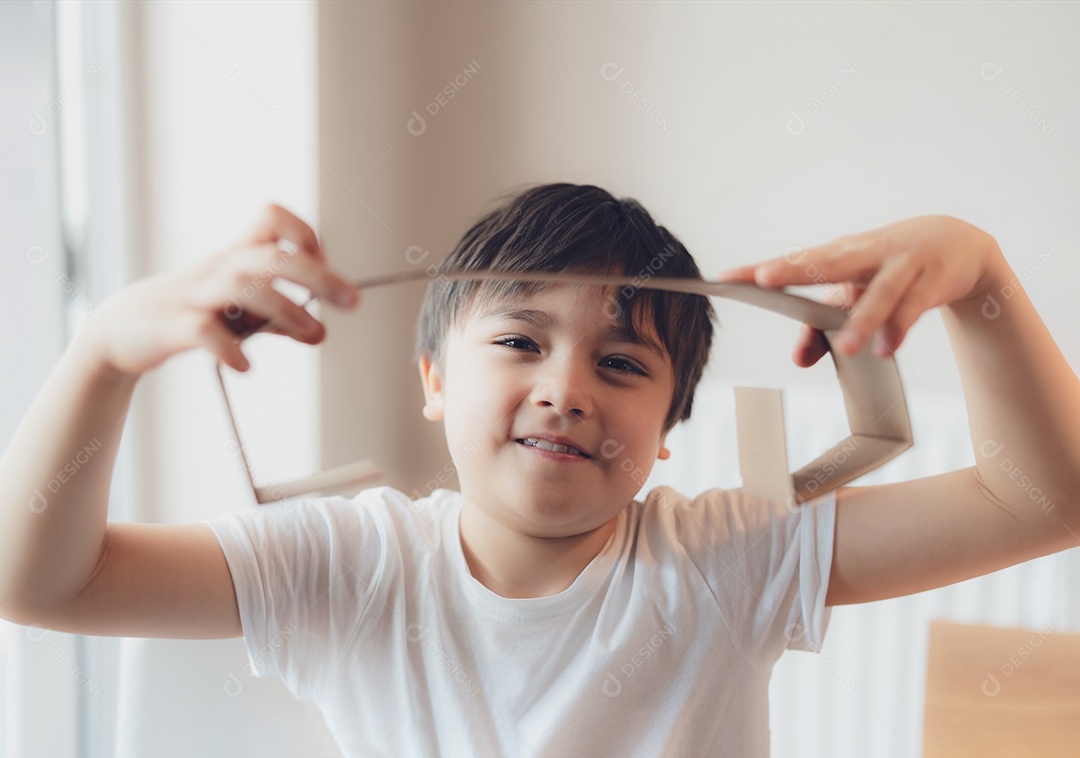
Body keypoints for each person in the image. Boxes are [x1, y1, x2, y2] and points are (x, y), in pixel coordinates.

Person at [0, 183, 1076, 756]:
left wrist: (979, 273)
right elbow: (40, 581)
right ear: (433, 380)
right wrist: (104, 352)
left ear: (669, 431)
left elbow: (1045, 498)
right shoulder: (349, 562)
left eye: (622, 362)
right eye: (520, 341)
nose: (566, 388)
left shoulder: (725, 558)